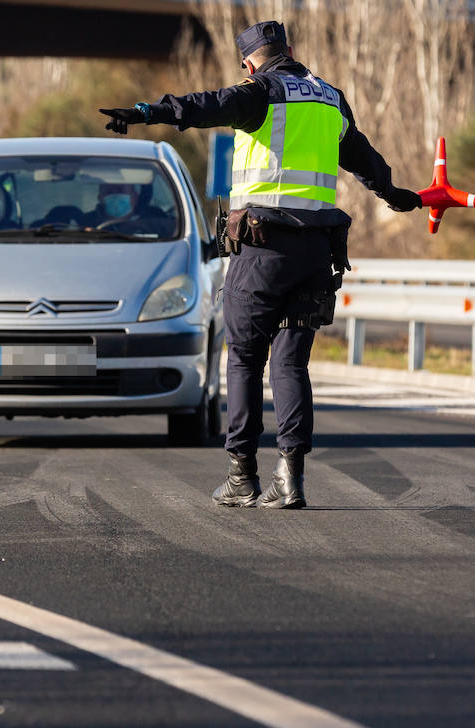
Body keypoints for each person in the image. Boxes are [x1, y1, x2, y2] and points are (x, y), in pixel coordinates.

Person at [99, 20, 423, 509]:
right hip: (318, 251)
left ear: (249, 61)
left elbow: (205, 106)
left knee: (246, 359)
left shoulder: (260, 91)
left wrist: (147, 111)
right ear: (290, 50)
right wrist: (398, 195)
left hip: (263, 250)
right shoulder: (330, 97)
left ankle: (241, 476)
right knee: (292, 363)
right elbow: (363, 157)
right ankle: (290, 478)